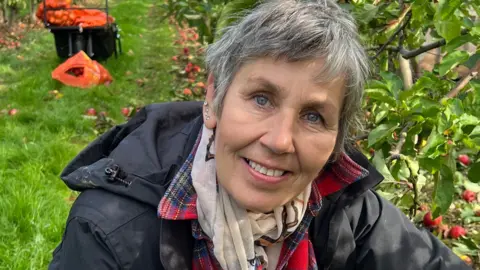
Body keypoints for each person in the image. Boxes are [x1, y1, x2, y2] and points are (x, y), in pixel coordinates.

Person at [48, 0, 471, 269]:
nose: (280, 140)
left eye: (313, 116)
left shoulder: (344, 208)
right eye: (262, 99)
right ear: (214, 97)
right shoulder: (110, 232)